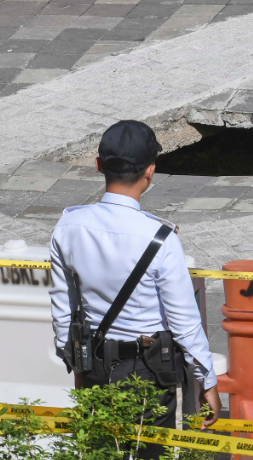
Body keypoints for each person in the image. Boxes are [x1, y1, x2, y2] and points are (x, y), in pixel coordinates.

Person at [49, 120, 221, 457]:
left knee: (99, 452)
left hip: (94, 364)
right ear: (151, 171)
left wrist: (73, 359)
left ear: (99, 165)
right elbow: (184, 321)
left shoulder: (69, 225)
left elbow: (62, 305)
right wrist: (207, 380)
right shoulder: (161, 239)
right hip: (149, 369)